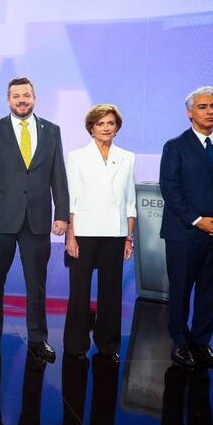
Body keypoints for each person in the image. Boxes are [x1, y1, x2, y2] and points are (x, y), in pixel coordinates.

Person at [0, 77, 69, 362]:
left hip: (37, 219)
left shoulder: (52, 131)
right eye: (16, 96)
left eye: (26, 95)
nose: (22, 100)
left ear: (35, 98)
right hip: (0, 218)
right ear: (8, 100)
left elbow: (58, 176)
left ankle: (38, 338)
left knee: (36, 282)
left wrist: (61, 213)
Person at [160, 86, 213, 369]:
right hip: (185, 235)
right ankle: (180, 343)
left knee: (211, 292)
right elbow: (170, 189)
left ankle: (201, 343)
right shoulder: (175, 146)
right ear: (189, 113)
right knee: (181, 291)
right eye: (203, 107)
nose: (210, 111)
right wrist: (199, 220)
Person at [63, 104, 136, 362]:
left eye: (111, 123)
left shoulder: (127, 157)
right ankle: (75, 344)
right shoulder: (77, 157)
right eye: (101, 123)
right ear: (91, 128)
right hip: (84, 231)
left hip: (115, 233)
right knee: (80, 290)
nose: (106, 128)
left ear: (117, 127)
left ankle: (107, 343)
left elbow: (130, 200)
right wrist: (70, 235)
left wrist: (129, 236)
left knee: (111, 291)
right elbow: (71, 198)